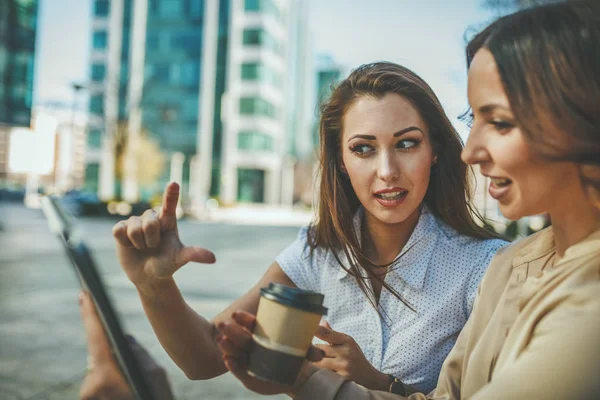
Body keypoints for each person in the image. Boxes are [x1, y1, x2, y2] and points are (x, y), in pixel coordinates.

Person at [214, 0, 600, 398]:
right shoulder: (510, 267)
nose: (470, 151)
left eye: (500, 122)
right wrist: (307, 380)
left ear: (582, 118)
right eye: (475, 121)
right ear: (340, 160)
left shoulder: (513, 275)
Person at [81, 61, 506, 397]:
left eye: (407, 143)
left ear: (433, 150)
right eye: (363, 149)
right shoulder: (315, 251)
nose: (387, 171)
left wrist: (376, 382)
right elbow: (206, 358)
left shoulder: (487, 267)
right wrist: (156, 287)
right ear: (341, 160)